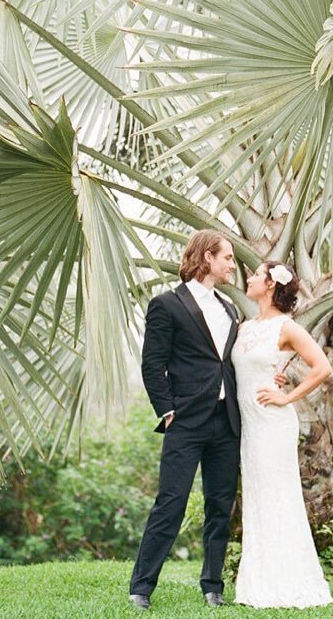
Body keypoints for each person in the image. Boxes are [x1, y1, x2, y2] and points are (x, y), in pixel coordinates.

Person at [128, 229, 242, 610]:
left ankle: (213, 586)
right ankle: (141, 587)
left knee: (219, 505)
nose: (232, 265)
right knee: (171, 502)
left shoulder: (230, 308)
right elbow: (152, 365)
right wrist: (168, 410)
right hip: (186, 422)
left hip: (226, 422)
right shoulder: (166, 304)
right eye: (227, 257)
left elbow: (229, 362)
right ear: (207, 257)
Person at [231, 261, 333, 608]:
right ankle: (258, 580)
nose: (249, 277)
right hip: (248, 425)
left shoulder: (286, 327)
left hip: (273, 422)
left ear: (271, 285)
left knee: (279, 496)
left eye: (256, 274)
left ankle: (290, 579)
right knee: (259, 497)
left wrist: (286, 395)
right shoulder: (244, 328)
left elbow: (322, 367)